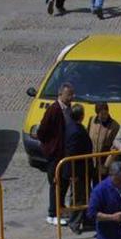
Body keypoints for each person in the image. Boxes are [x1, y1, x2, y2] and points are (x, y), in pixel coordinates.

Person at [37, 82, 73, 226]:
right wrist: (50, 147)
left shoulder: (67, 109)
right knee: (55, 183)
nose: (71, 97)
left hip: (64, 153)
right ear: (60, 94)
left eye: (72, 94)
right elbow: (42, 131)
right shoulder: (53, 110)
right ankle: (52, 213)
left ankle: (60, 208)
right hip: (54, 154)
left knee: (63, 182)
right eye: (69, 94)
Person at [61, 103, 92, 230]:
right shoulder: (75, 131)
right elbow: (72, 154)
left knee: (83, 195)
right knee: (78, 197)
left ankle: (86, 219)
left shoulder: (71, 127)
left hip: (81, 169)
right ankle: (75, 222)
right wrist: (73, 174)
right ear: (82, 116)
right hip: (78, 171)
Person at [87, 102, 120, 180]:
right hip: (92, 163)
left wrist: (106, 166)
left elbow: (114, 149)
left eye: (105, 113)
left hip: (105, 166)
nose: (103, 116)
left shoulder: (115, 126)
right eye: (100, 114)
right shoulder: (92, 121)